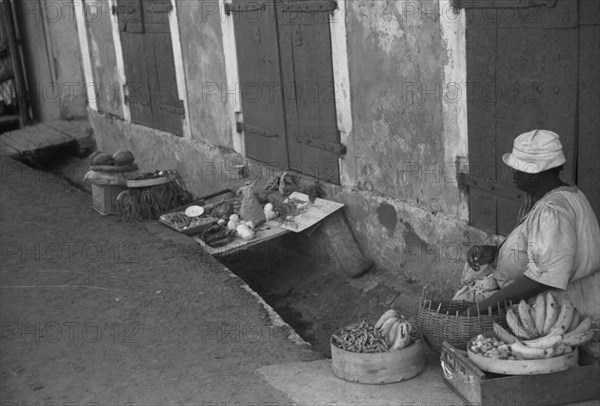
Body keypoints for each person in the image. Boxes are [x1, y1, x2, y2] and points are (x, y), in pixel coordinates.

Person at [456, 129, 600, 320]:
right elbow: (540, 250)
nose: (513, 173)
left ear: (532, 173)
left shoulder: (553, 212)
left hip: (557, 312)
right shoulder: (565, 196)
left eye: (516, 168)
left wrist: (479, 309)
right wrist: (496, 253)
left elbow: (543, 279)